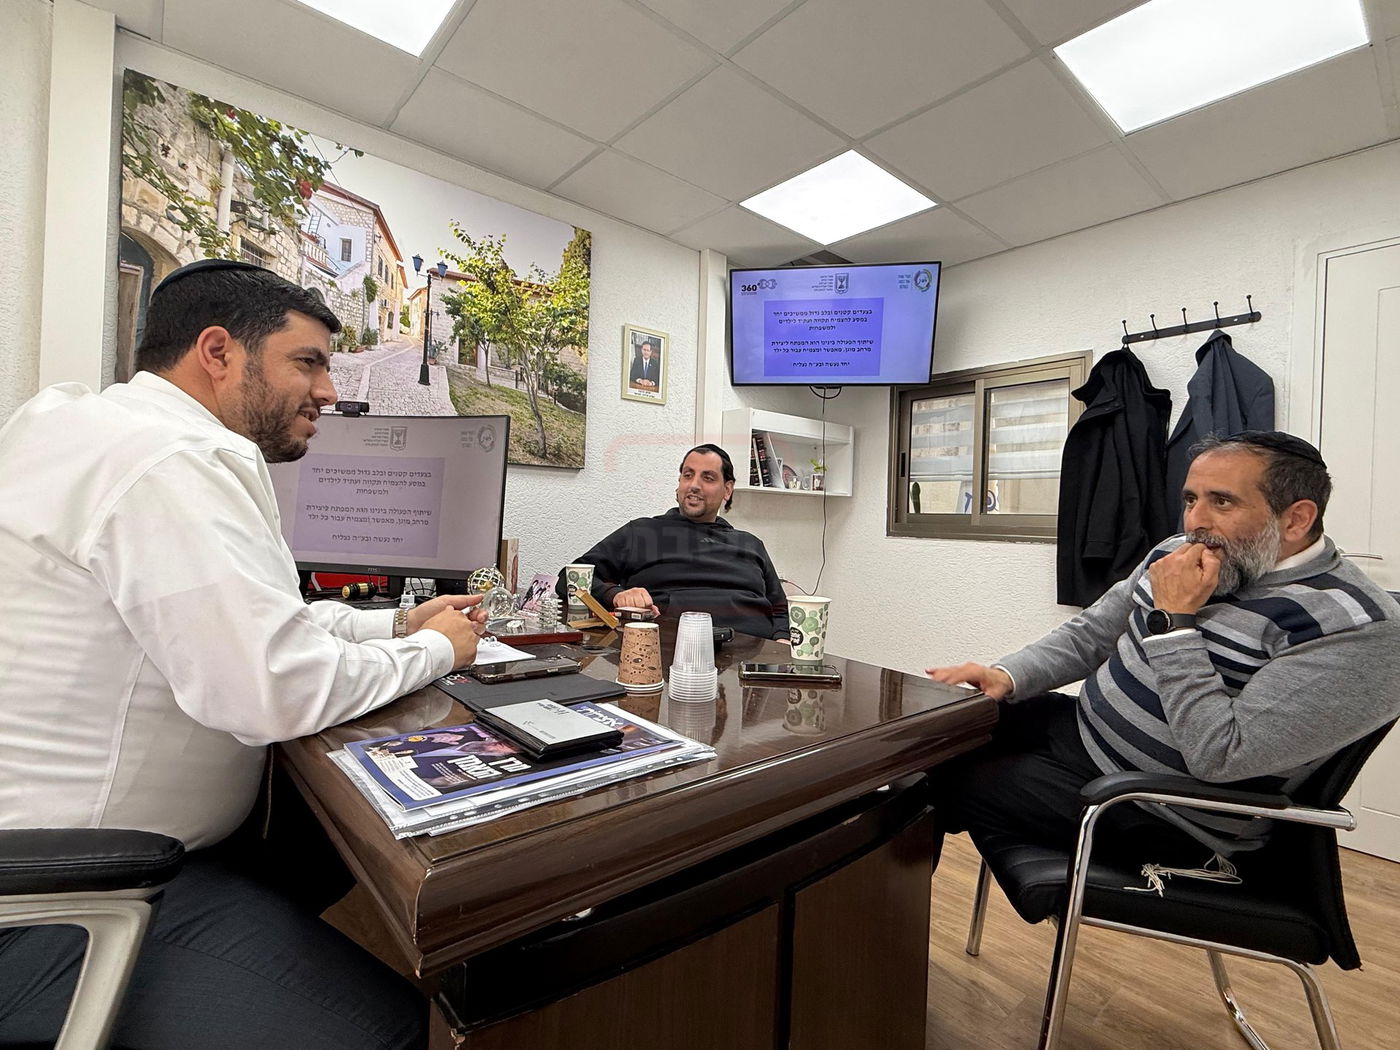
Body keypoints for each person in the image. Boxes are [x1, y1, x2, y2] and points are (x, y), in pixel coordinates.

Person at [0, 260, 489, 1049]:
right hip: (69, 894)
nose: (330, 393)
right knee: (403, 1034)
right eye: (309, 362)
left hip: (89, 855)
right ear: (218, 351)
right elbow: (274, 687)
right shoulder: (169, 463)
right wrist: (439, 648)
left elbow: (267, 621)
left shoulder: (106, 432)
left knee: (335, 843)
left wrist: (396, 629)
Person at [928, 432, 1400, 865]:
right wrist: (1005, 676)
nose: (1195, 522)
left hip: (1162, 812)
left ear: (1296, 519)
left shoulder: (1359, 630)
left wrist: (1175, 622)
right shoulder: (1176, 552)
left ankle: (881, 938)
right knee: (930, 737)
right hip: (1084, 736)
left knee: (937, 783)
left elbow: (1221, 757)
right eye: (1191, 499)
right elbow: (1092, 633)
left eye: (1222, 502)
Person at [557, 444, 789, 639]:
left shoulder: (751, 544)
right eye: (688, 475)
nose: (694, 484)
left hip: (754, 654)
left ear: (727, 490)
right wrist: (615, 594)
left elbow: (780, 609)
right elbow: (568, 578)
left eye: (707, 478)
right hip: (668, 649)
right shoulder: (642, 532)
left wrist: (782, 641)